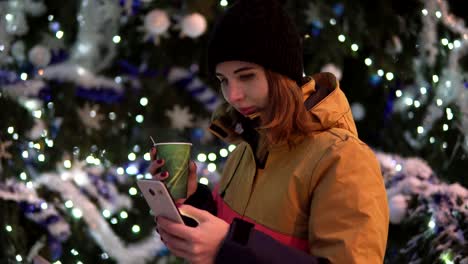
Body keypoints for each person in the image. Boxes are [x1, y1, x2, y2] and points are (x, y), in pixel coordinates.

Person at [149, 0, 389, 263]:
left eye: (246, 76)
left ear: (281, 74)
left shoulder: (344, 160)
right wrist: (194, 198)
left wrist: (228, 250)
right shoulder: (250, 143)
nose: (233, 96)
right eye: (223, 80)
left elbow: (234, 244)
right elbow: (233, 228)